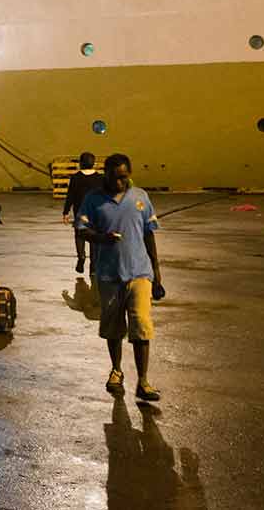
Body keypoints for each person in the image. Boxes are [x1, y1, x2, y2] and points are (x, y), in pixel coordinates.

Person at [77, 153, 164, 402]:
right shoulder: (93, 200)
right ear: (106, 175)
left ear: (129, 174)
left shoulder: (140, 197)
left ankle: (143, 382)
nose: (119, 183)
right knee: (114, 328)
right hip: (109, 275)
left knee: (141, 327)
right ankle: (116, 371)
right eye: (114, 178)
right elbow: (81, 229)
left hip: (140, 273)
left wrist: (157, 274)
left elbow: (150, 234)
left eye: (123, 178)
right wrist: (101, 238)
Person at [62, 152, 106, 273]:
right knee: (94, 238)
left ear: (80, 164)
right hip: (96, 214)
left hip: (80, 212)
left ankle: (81, 256)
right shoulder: (100, 178)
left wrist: (66, 212)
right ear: (94, 164)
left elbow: (70, 196)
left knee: (79, 235)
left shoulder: (75, 178)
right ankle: (93, 266)